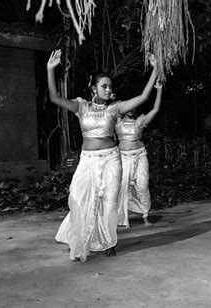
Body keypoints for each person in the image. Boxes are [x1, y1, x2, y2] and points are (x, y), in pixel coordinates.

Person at [48, 49, 158, 262]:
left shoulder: (115, 109)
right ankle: (81, 238)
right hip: (87, 159)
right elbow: (54, 97)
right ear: (93, 89)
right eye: (104, 86)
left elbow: (144, 97)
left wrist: (155, 70)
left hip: (111, 159)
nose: (108, 90)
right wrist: (50, 70)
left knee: (109, 202)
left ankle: (109, 241)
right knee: (77, 196)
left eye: (110, 86)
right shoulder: (82, 106)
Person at [116, 80, 163, 228]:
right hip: (123, 157)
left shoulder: (140, 121)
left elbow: (155, 109)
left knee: (142, 186)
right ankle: (120, 218)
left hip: (140, 155)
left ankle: (145, 216)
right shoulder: (116, 121)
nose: (131, 109)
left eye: (133, 108)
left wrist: (159, 90)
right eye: (128, 107)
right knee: (122, 186)